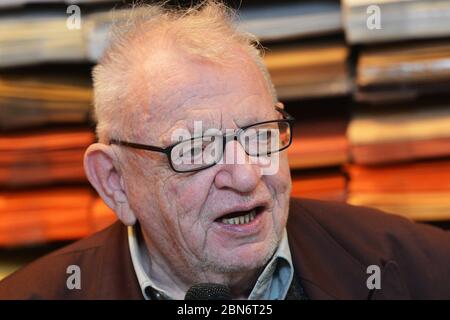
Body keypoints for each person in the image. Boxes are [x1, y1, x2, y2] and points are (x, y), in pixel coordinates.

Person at [1, 1, 449, 300]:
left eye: (258, 134)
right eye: (195, 148)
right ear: (115, 182)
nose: (245, 176)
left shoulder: (419, 270)